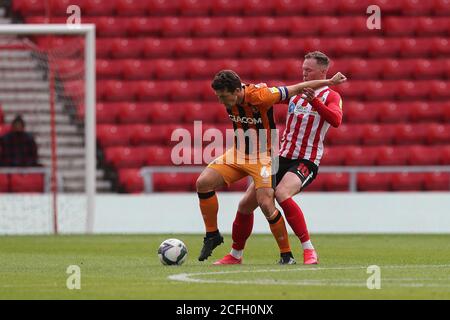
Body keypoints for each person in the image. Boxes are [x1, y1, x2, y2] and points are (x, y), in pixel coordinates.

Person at [196, 68, 347, 263]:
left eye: (223, 96)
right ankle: (215, 238)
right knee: (205, 184)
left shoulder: (262, 96)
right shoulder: (234, 95)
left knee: (267, 203)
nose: (221, 101)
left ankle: (289, 254)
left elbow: (299, 88)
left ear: (235, 91)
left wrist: (329, 82)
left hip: (264, 157)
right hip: (240, 152)